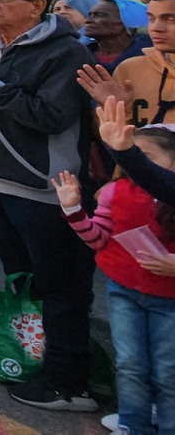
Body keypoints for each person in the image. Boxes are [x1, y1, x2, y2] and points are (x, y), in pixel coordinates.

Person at [0, 0, 100, 413]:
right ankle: (33, 358)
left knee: (62, 286)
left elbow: (49, 115)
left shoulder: (65, 53)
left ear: (36, 6)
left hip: (46, 190)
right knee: (23, 280)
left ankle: (70, 384)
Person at [53, 121, 175, 435]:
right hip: (123, 292)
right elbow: (97, 238)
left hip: (170, 300)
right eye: (133, 156)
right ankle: (133, 424)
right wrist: (73, 209)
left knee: (168, 371)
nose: (138, 164)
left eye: (148, 158)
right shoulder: (115, 192)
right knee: (130, 364)